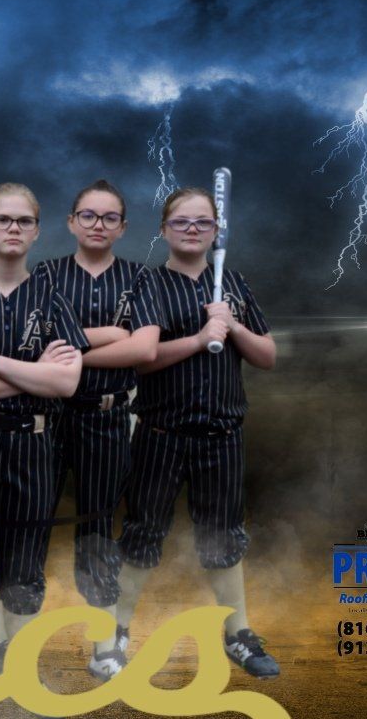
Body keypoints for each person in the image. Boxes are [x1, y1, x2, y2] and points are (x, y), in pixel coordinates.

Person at [117, 187, 280, 678]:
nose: (192, 229)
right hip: (161, 432)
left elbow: (267, 355)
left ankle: (238, 634)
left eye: (203, 222)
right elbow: (141, 360)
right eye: (181, 222)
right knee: (143, 533)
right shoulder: (146, 284)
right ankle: (115, 633)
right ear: (164, 229)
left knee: (224, 536)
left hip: (222, 435)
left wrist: (232, 325)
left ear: (216, 231)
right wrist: (199, 339)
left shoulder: (234, 284)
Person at [0, 184, 87, 718]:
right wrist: (34, 371)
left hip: (33, 443)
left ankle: (11, 669)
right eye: (2, 219)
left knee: (24, 571)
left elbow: (67, 383)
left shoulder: (52, 300)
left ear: (36, 231)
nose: (13, 228)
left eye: (23, 221)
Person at [33, 180, 162, 680]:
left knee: (97, 529)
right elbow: (31, 345)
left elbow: (144, 349)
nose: (98, 225)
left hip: (108, 417)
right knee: (30, 523)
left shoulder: (140, 278)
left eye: (109, 217)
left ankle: (104, 647)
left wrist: (68, 354)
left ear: (123, 227)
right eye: (88, 215)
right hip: (47, 417)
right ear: (71, 222)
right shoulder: (45, 275)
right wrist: (111, 335)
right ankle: (7, 648)